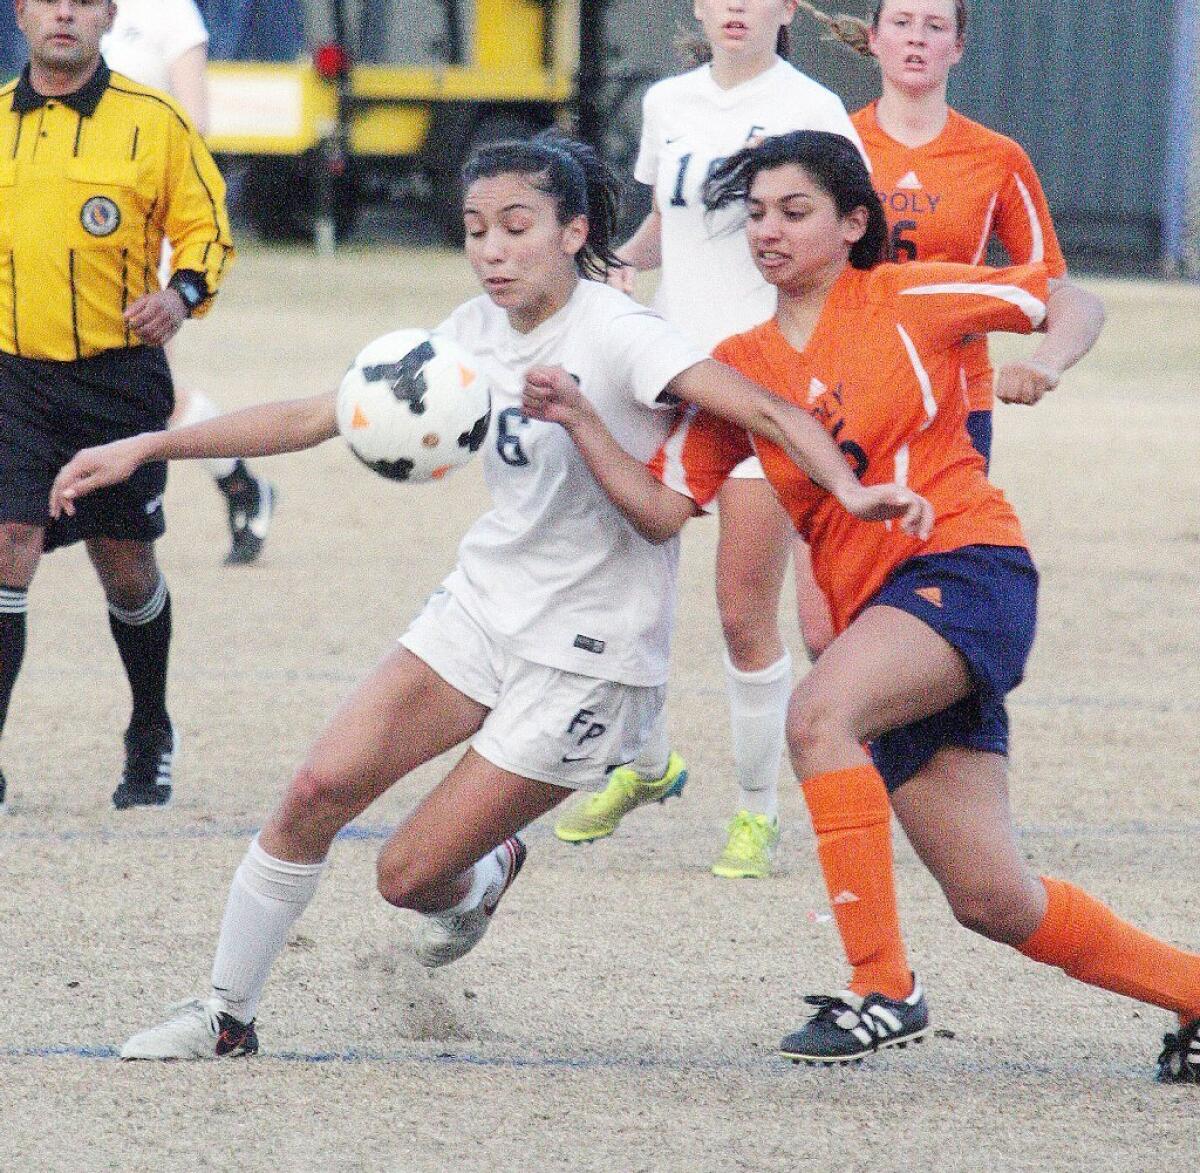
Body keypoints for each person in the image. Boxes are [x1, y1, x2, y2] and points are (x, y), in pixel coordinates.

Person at [49, 131, 929, 1060]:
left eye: (516, 227)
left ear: (572, 230)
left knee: (406, 874)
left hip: (589, 654)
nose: (492, 251)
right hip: (483, 605)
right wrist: (147, 448)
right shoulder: (468, 332)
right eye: (475, 230)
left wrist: (847, 487)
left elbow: (765, 408)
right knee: (315, 788)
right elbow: (319, 413)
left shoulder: (619, 334)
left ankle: (480, 877)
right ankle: (224, 1015)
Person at [521, 130, 1200, 1083]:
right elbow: (662, 510)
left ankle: (884, 988)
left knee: (819, 713)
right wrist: (584, 423)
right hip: (882, 617)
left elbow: (1065, 293)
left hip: (968, 567)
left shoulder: (904, 297)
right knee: (993, 899)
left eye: (794, 212)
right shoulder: (739, 364)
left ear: (852, 224)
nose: (769, 231)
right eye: (755, 214)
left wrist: (1050, 358)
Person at [554, 0, 868, 882]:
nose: (735, 6)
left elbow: (850, 245)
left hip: (758, 388)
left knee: (740, 614)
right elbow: (671, 222)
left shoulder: (812, 109)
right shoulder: (669, 103)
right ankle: (649, 764)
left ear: (785, 9)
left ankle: (757, 813)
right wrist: (619, 262)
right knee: (621, 592)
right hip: (664, 377)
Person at [0, 0, 233, 810]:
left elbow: (207, 231)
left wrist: (180, 295)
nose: (63, 12)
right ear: (20, 13)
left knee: (125, 567)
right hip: (14, 379)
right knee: (8, 544)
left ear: (107, 16)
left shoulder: (154, 121)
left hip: (117, 380)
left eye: (83, 0)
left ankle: (149, 728)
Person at [790, 0, 1067, 656]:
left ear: (958, 47)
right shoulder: (834, 150)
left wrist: (1048, 362)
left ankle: (915, 753)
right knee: (828, 626)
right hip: (841, 402)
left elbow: (1050, 282)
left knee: (922, 601)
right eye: (903, 23)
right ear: (875, 38)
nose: (917, 39)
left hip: (950, 407)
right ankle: (851, 753)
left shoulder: (996, 157)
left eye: (935, 26)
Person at [102, 0, 275, 565]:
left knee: (146, 384)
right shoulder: (68, 12)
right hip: (72, 230)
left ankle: (241, 481)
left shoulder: (169, 12)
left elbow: (195, 123)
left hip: (139, 228)